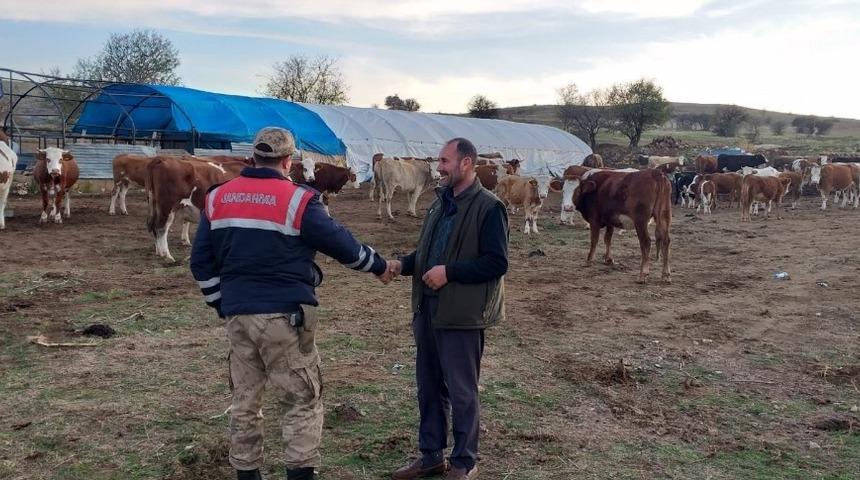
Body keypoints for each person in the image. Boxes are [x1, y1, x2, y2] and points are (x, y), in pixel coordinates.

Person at [190, 126, 395, 480]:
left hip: (238, 316)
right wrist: (378, 265)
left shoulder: (217, 197)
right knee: (301, 400)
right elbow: (342, 245)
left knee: (245, 401)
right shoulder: (299, 199)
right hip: (286, 317)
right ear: (288, 161)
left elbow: (200, 262)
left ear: (253, 157)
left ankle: (247, 473)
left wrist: (221, 303)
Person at [388, 138, 509, 480]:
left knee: (461, 390)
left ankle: (464, 461)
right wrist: (402, 264)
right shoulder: (440, 204)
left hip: (462, 314)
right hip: (428, 308)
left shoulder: (489, 207)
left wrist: (450, 273)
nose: (438, 166)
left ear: (466, 163)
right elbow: (429, 255)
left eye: (444, 160)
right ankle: (430, 456)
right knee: (428, 386)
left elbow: (496, 263)